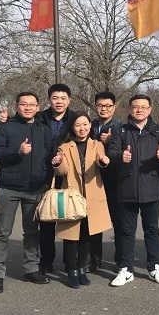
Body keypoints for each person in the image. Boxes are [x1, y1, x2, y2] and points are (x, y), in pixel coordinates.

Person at [0, 83, 77, 274]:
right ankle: (46, 262)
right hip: (44, 175)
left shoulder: (75, 119)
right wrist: (0, 120)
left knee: (71, 218)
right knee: (45, 221)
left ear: (69, 100)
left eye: (63, 98)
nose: (59, 102)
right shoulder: (40, 117)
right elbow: (18, 124)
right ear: (48, 100)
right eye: (55, 98)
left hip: (68, 173)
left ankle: (71, 264)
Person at [0, 91, 54, 293]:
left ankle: (31, 269)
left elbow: (49, 156)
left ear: (38, 107)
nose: (28, 107)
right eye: (24, 104)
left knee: (32, 232)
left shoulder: (43, 129)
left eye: (32, 104)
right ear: (16, 106)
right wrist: (17, 151)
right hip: (9, 188)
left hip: (35, 189)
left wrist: (48, 179)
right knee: (2, 232)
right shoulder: (5, 127)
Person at [107, 94, 159, 287]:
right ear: (130, 109)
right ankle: (126, 268)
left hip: (152, 186)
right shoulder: (120, 129)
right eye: (136, 107)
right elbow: (111, 152)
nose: (139, 110)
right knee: (126, 231)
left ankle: (154, 267)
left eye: (143, 107)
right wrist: (120, 156)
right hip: (126, 187)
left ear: (150, 109)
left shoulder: (158, 129)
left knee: (151, 229)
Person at [51, 113, 113, 288]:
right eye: (78, 125)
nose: (82, 128)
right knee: (71, 237)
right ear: (72, 127)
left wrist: (104, 161)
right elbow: (62, 171)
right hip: (72, 196)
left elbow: (101, 163)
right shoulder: (64, 146)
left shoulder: (97, 144)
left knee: (86, 235)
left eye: (85, 124)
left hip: (92, 197)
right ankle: (71, 270)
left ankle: (81, 268)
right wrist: (57, 163)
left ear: (90, 125)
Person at [88, 91, 123, 272]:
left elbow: (127, 151)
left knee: (119, 221)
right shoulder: (90, 126)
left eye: (108, 106)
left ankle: (120, 260)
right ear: (95, 107)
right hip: (93, 179)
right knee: (94, 222)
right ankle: (94, 260)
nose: (104, 109)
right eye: (100, 105)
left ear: (114, 108)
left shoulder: (120, 127)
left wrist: (111, 140)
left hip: (115, 180)